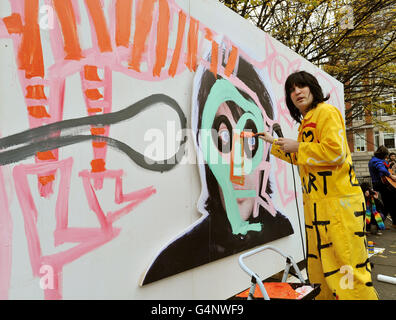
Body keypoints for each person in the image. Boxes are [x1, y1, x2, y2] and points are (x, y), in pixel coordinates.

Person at [141, 55, 293, 285]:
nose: (238, 165)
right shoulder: (175, 260)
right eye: (223, 138)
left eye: (250, 140)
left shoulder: (282, 227)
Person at [260, 70, 378, 300]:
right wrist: (273, 143)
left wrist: (297, 146)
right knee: (322, 270)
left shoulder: (326, 112)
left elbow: (334, 153)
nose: (297, 92)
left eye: (301, 86)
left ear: (312, 88)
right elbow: (307, 160)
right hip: (319, 210)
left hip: (338, 208)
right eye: (292, 90)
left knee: (347, 271)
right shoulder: (308, 121)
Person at [368, 146, 396, 228]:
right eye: (385, 156)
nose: (386, 157)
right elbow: (382, 169)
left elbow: (384, 168)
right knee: (389, 202)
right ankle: (380, 224)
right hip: (380, 184)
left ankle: (383, 223)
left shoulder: (376, 160)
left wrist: (389, 166)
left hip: (380, 183)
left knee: (389, 203)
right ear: (382, 155)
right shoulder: (376, 161)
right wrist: (391, 176)